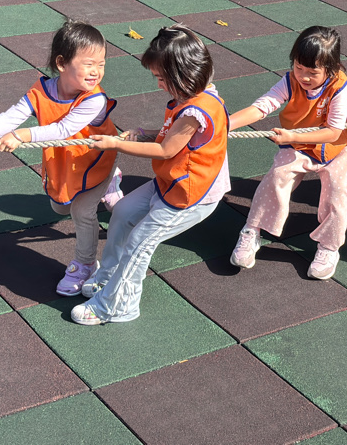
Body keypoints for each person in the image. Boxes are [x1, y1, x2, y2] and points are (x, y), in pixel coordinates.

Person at [0, 20, 122, 297]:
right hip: (65, 162)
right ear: (62, 63)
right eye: (89, 64)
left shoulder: (94, 99)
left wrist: (22, 136)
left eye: (101, 64)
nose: (96, 71)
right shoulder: (41, 91)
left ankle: (85, 264)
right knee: (60, 208)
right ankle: (111, 186)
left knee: (81, 212)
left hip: (95, 160)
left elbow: (63, 129)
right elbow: (10, 118)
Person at [70, 24, 229, 325]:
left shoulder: (198, 109)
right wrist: (146, 132)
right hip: (171, 182)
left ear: (183, 74)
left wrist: (116, 144)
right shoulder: (191, 96)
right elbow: (175, 136)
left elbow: (167, 150)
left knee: (139, 244)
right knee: (123, 212)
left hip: (189, 196)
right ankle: (109, 276)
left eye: (162, 78)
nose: (158, 85)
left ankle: (116, 306)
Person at [229, 26, 347, 281]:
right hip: (300, 144)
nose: (304, 77)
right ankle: (252, 230)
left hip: (339, 147)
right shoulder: (290, 81)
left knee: (336, 188)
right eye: (299, 68)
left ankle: (329, 246)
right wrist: (225, 124)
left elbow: (333, 132)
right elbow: (263, 106)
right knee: (277, 176)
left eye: (313, 72)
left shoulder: (340, 88)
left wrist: (292, 137)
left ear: (331, 69)